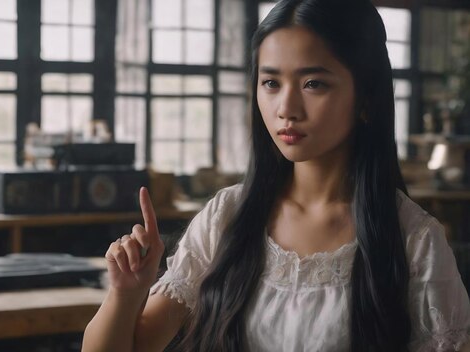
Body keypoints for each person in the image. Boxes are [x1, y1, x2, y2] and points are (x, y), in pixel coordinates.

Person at [82, 0, 470, 350]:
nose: (286, 108)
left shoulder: (413, 241)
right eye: (270, 83)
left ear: (366, 98)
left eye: (313, 83)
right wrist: (125, 293)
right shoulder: (227, 217)